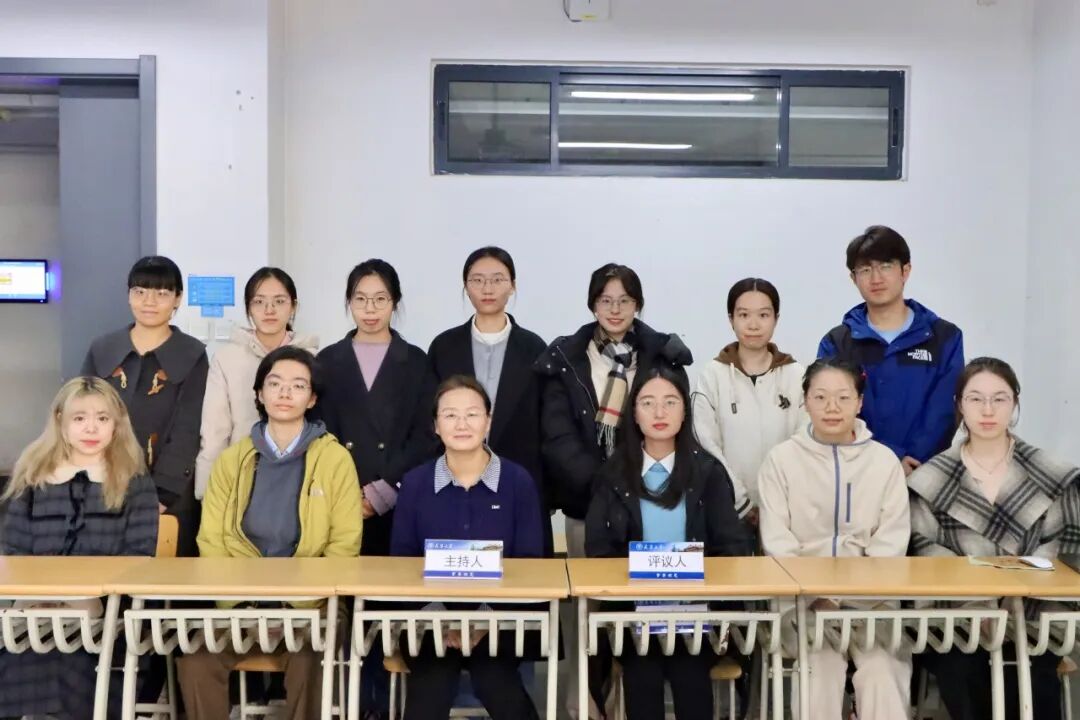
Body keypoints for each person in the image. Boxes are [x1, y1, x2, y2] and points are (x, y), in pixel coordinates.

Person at [536, 262, 692, 718]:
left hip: (650, 509)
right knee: (588, 617)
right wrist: (606, 488)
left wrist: (631, 489)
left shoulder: (663, 356)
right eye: (606, 300)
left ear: (637, 305)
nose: (615, 309)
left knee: (637, 616)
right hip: (586, 506)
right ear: (593, 305)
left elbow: (674, 427)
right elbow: (557, 436)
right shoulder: (566, 357)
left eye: (625, 300)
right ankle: (585, 707)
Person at [177, 346, 362, 720]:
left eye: (298, 385)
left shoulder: (335, 459)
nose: (284, 393)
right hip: (240, 606)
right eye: (274, 384)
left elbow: (344, 545)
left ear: (312, 398)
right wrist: (243, 603)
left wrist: (296, 603)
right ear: (259, 394)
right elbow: (211, 540)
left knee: (311, 658)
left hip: (311, 608)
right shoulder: (233, 460)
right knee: (196, 660)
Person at [910, 357, 1080, 720]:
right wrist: (980, 604)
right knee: (962, 671)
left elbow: (1062, 549)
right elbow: (925, 552)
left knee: (1033, 677)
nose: (987, 410)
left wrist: (1014, 603)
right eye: (975, 399)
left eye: (999, 399)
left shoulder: (1054, 473)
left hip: (1035, 615)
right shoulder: (931, 478)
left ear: (1014, 403)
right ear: (959, 404)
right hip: (956, 616)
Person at [586, 366, 750, 720]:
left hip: (698, 617)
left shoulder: (708, 472)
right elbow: (598, 552)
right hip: (632, 618)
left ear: (685, 411)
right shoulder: (613, 474)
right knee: (642, 676)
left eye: (670, 402)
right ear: (633, 413)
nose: (659, 412)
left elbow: (734, 549)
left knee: (690, 675)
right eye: (648, 403)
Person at [758, 358, 911, 720]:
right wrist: (816, 596)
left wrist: (845, 597)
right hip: (802, 606)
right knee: (820, 669)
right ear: (805, 401)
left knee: (882, 670)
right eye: (821, 397)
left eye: (843, 397)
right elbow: (778, 543)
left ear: (859, 402)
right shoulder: (780, 461)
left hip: (872, 604)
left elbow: (890, 545)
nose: (832, 407)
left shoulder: (884, 462)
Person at [0, 377, 159, 720]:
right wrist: (41, 595)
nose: (91, 428)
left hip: (105, 614)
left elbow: (139, 554)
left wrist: (86, 593)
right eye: (79, 418)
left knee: (72, 652)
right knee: (26, 645)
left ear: (117, 425)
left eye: (102, 418)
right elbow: (13, 548)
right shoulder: (33, 476)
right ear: (60, 420)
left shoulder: (135, 481)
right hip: (33, 607)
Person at [392, 375, 544, 720]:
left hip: (503, 620)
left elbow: (530, 563)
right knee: (430, 687)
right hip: (430, 620)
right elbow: (402, 563)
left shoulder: (518, 481)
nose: (462, 424)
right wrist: (442, 619)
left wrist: (483, 620)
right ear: (436, 425)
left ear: (488, 421)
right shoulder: (415, 483)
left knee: (496, 681)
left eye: (472, 414)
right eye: (450, 415)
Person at [82, 255, 208, 556]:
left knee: (163, 576)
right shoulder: (102, 349)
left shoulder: (192, 354)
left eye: (162, 293)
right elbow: (79, 416)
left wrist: (162, 493)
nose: (149, 301)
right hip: (101, 484)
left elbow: (189, 428)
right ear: (128, 295)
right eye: (140, 291)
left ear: (177, 299)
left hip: (169, 493)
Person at [428, 247, 551, 554]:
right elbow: (430, 418)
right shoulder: (444, 346)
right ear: (465, 286)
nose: (487, 288)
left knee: (522, 571)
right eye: (478, 280)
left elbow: (545, 423)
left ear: (513, 286)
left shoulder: (535, 348)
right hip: (455, 481)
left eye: (497, 279)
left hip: (519, 482)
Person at [817, 225, 963, 476]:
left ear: (905, 271)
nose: (876, 278)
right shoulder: (838, 342)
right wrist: (888, 459)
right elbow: (833, 410)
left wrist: (914, 459)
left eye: (885, 266)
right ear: (853, 278)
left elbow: (943, 410)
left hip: (926, 471)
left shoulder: (944, 337)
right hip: (857, 471)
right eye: (865, 270)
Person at [316, 258, 438, 556]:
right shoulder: (327, 361)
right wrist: (347, 493)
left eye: (380, 299)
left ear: (395, 302)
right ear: (349, 302)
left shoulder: (416, 361)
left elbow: (426, 436)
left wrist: (381, 493)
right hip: (338, 500)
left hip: (398, 499)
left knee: (393, 581)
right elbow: (318, 432)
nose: (370, 309)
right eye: (360, 299)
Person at [194, 266, 318, 500]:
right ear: (248, 307)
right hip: (240, 477)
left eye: (279, 301)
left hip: (299, 479)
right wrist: (207, 492)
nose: (269, 310)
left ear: (293, 306)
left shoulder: (312, 358)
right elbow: (215, 431)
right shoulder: (227, 358)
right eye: (259, 302)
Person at [692, 278, 805, 520]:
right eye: (743, 315)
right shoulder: (712, 375)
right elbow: (706, 444)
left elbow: (805, 440)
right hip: (726, 509)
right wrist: (739, 501)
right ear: (731, 319)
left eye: (763, 315)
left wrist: (779, 501)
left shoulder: (796, 375)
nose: (753, 325)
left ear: (776, 318)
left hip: (787, 509)